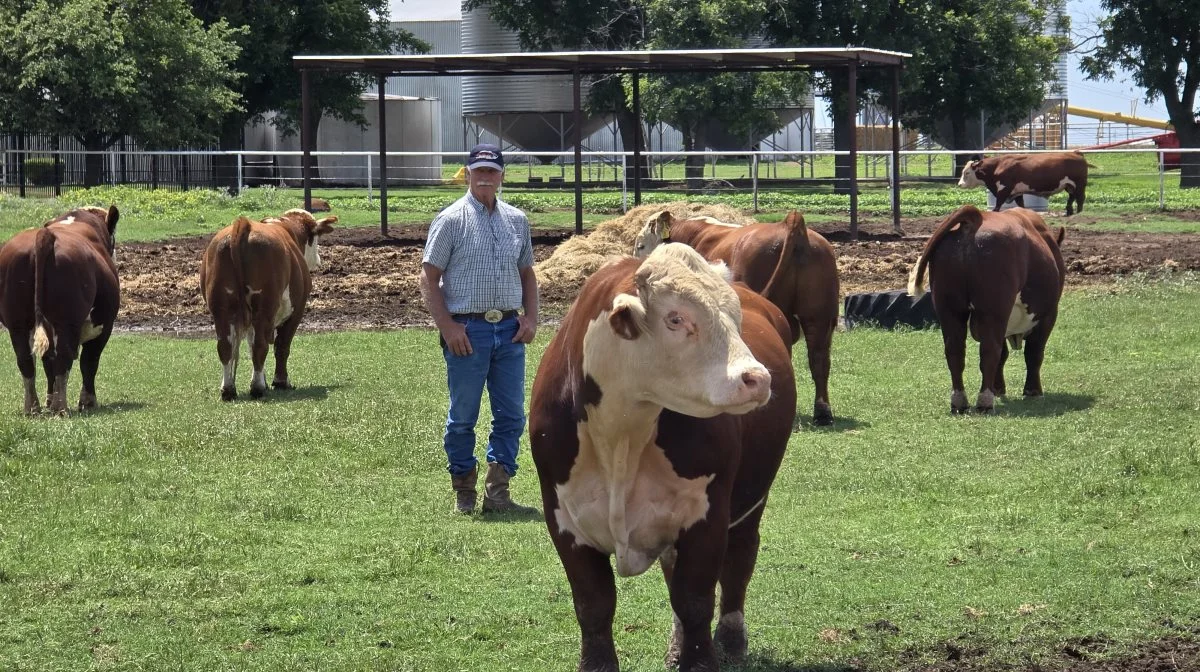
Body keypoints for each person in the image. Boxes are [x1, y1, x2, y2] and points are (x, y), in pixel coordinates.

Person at [420, 143, 540, 515]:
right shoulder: (451, 219)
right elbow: (428, 277)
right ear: (467, 173)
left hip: (508, 328)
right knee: (463, 416)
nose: (485, 177)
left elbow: (528, 273)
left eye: (492, 171)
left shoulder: (517, 220)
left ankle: (498, 489)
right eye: (479, 171)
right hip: (467, 331)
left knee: (512, 415)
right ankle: (464, 488)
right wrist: (448, 326)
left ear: (503, 175)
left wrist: (532, 317)